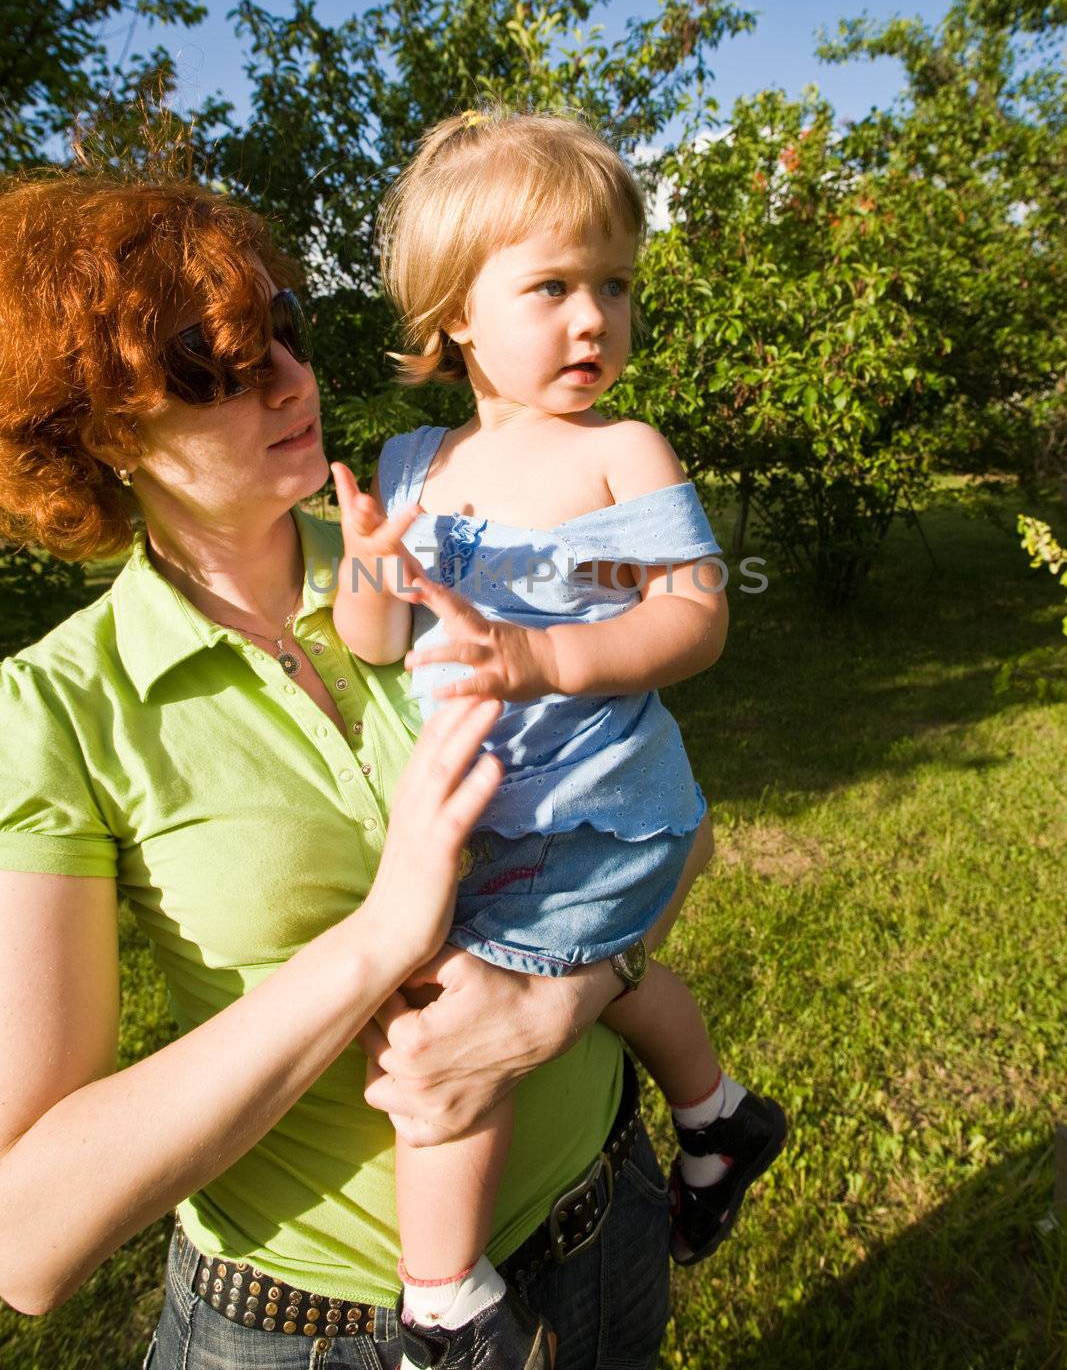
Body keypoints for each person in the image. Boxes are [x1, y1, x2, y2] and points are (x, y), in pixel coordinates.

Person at [0, 174, 704, 1370]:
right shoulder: (55, 711)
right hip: (307, 1334)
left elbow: (665, 812)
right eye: (211, 366)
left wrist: (564, 995)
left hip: (601, 1224)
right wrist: (379, 938)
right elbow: (26, 1238)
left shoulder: (449, 543)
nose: (287, 377)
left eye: (284, 327)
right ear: (104, 430)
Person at [331, 107, 788, 1370]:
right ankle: (717, 1115)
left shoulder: (615, 457)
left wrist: (541, 655)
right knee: (593, 984)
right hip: (491, 813)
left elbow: (691, 618)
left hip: (592, 807)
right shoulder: (416, 463)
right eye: (553, 286)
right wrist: (371, 569)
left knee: (453, 1034)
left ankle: (442, 1304)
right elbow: (373, 639)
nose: (594, 319)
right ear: (457, 314)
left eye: (615, 287)